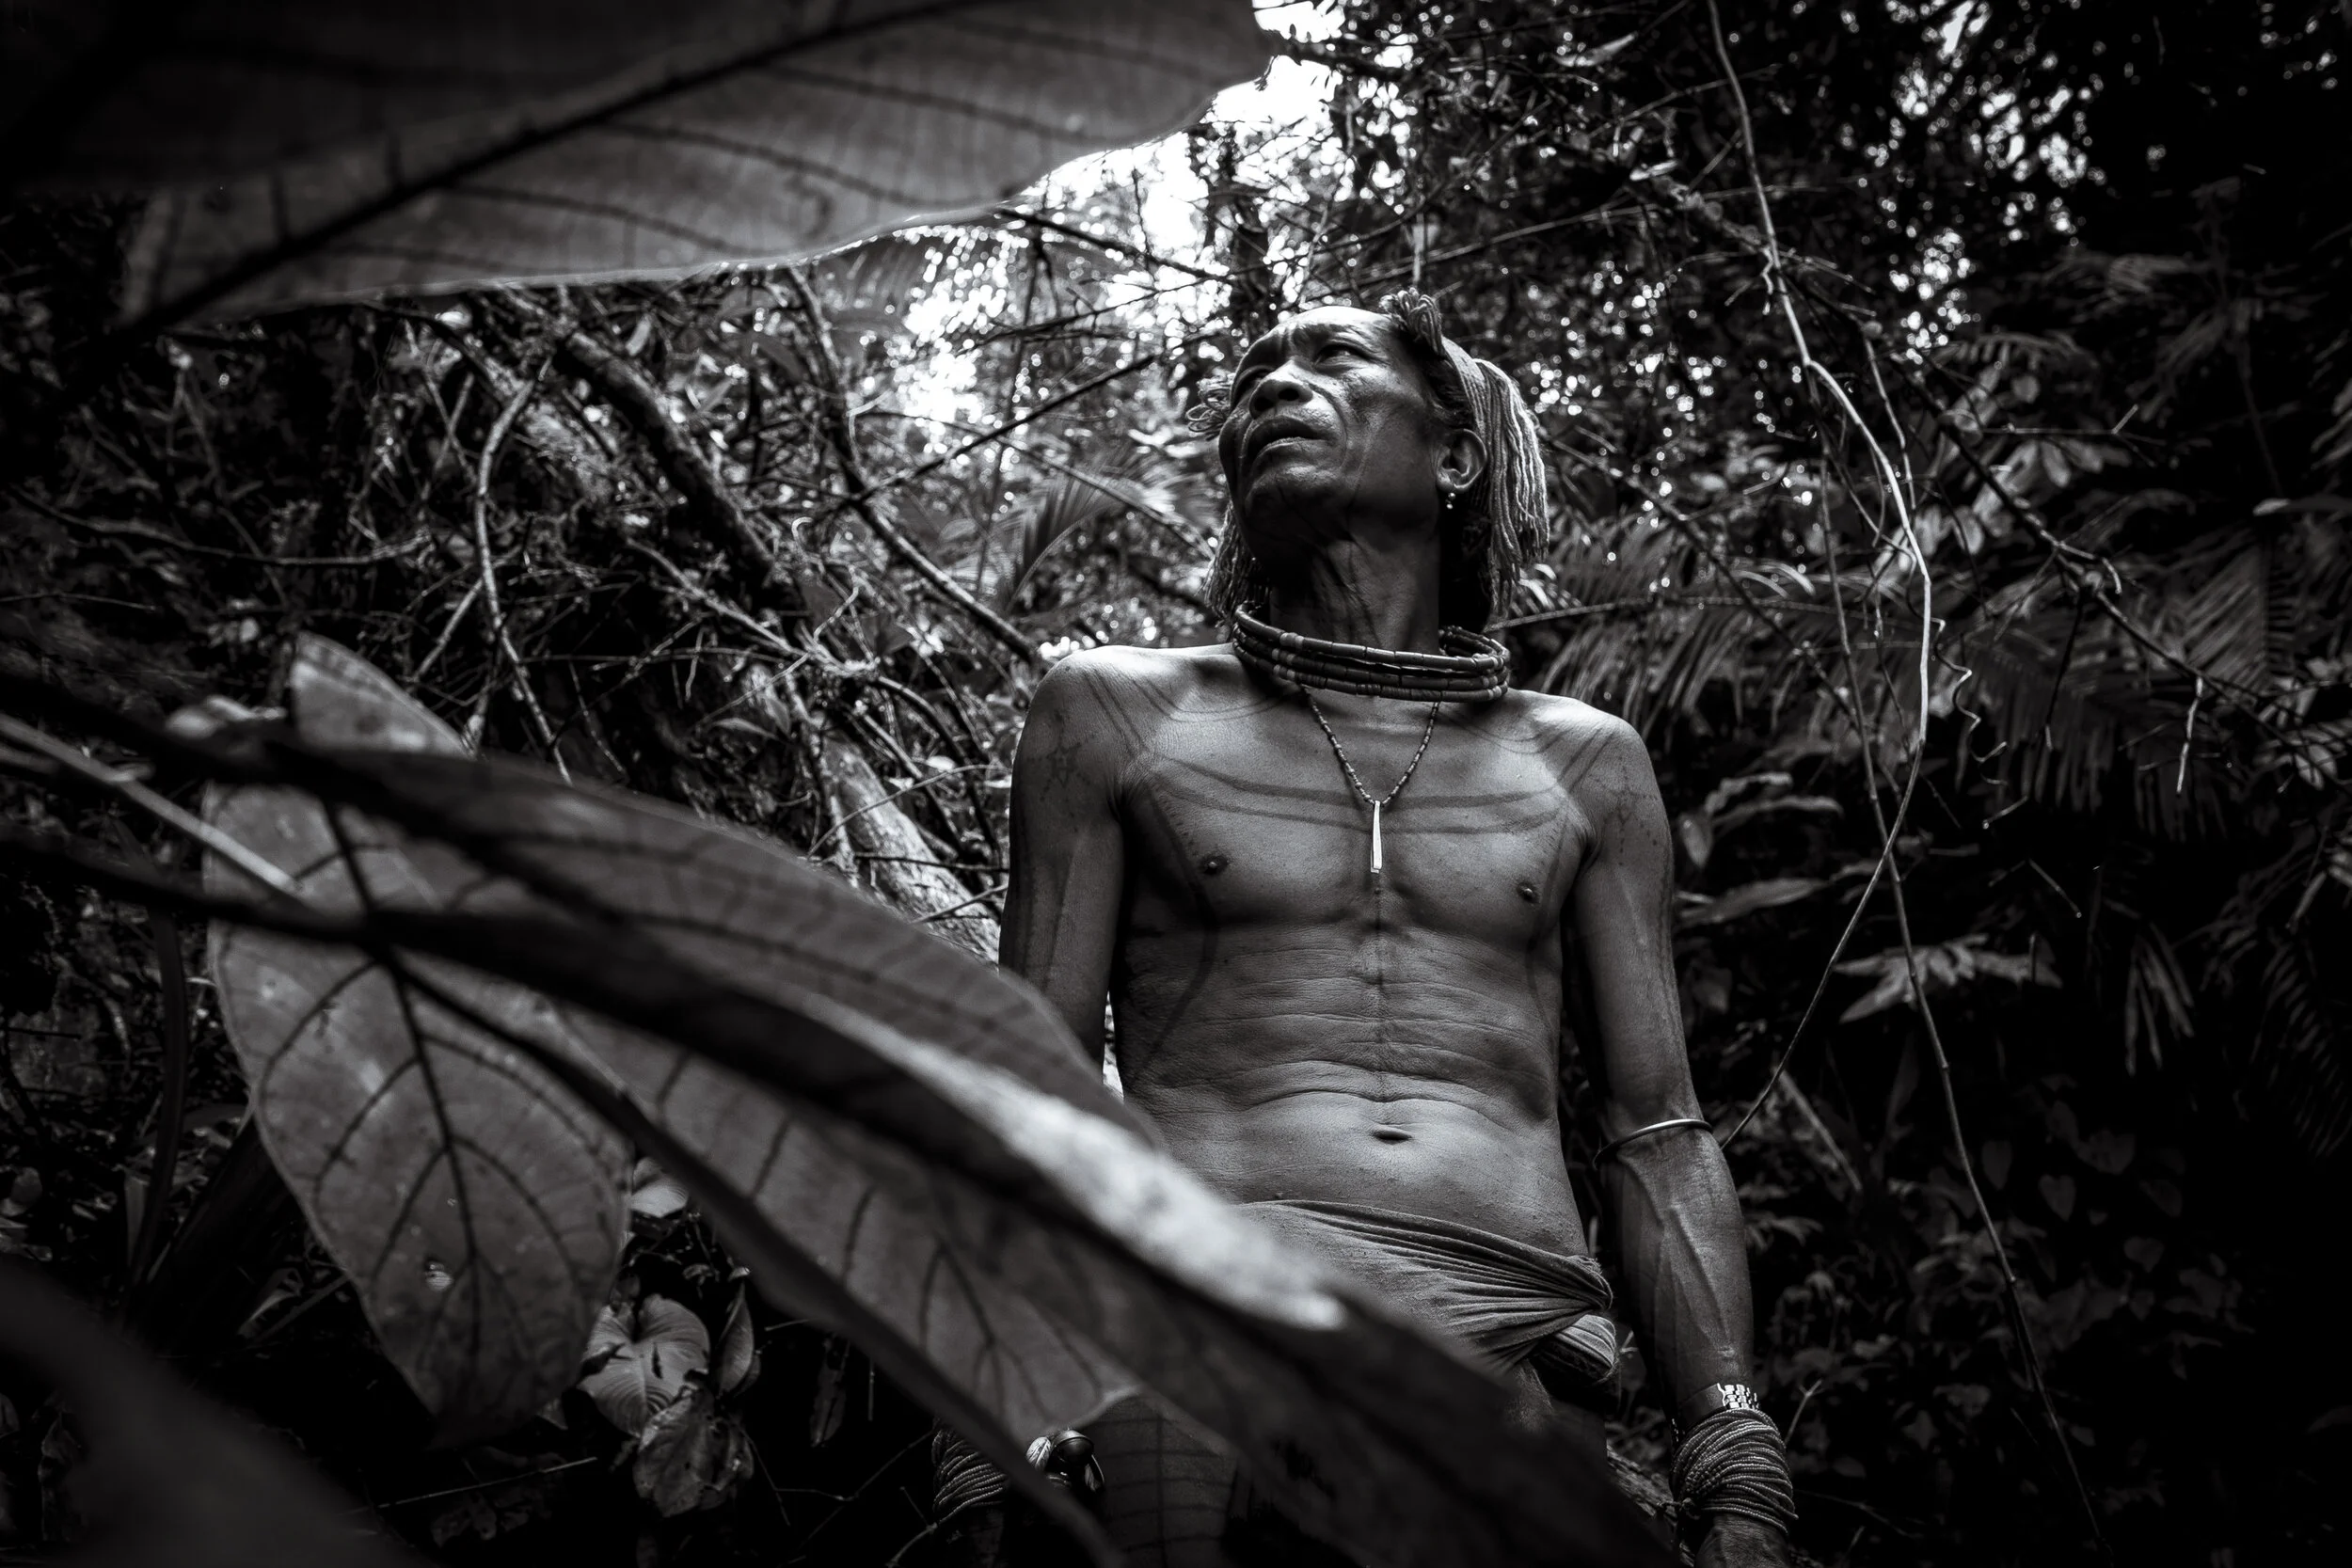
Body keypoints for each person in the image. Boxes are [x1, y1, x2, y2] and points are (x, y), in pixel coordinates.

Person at [947, 293, 1793, 1567]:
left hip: (1513, 1364)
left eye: (1332, 359)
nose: (1272, 389)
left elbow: (1659, 1135)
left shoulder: (1584, 766)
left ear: (1454, 455)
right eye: (1252, 378)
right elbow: (1033, 1093)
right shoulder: (1114, 715)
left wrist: (1733, 1442)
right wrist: (981, 1423)